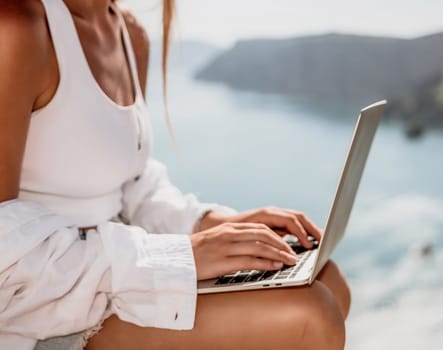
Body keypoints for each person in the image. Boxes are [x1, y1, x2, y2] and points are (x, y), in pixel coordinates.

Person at [0, 0, 351, 349]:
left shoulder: (129, 33)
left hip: (112, 275)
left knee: (327, 278)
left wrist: (210, 224)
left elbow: (130, 182)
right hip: (36, 312)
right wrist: (178, 256)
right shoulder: (17, 23)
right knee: (310, 314)